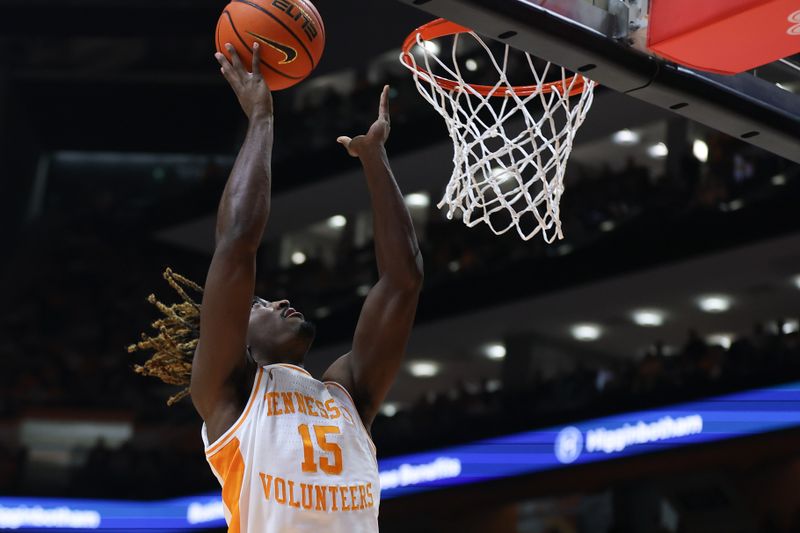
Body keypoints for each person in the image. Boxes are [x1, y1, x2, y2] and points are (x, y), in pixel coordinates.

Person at [129, 42, 423, 532]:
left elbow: (403, 282)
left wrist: (375, 160)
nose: (280, 300)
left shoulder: (347, 393)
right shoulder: (229, 393)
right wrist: (261, 118)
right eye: (259, 303)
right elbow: (237, 243)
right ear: (231, 337)